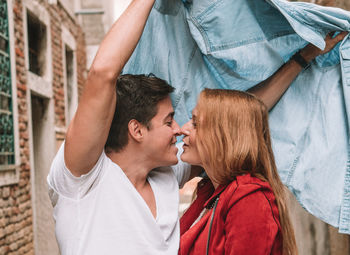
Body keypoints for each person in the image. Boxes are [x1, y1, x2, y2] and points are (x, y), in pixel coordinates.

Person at [46, 0, 346, 254]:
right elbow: (102, 73)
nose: (179, 129)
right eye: (168, 121)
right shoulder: (83, 179)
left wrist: (301, 59)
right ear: (137, 130)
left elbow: (235, 120)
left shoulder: (165, 174)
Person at [179, 89, 295, 255]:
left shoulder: (249, 197)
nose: (183, 129)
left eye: (196, 124)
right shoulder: (211, 192)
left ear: (224, 135)